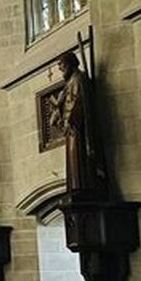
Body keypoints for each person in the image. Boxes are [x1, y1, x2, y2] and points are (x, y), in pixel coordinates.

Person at [51, 52, 109, 201]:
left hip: (78, 129)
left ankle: (83, 186)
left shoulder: (79, 79)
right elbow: (66, 103)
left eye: (62, 66)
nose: (61, 70)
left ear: (70, 64)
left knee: (80, 159)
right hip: (72, 130)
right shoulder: (70, 82)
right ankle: (77, 186)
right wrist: (58, 108)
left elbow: (76, 103)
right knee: (73, 161)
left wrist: (65, 120)